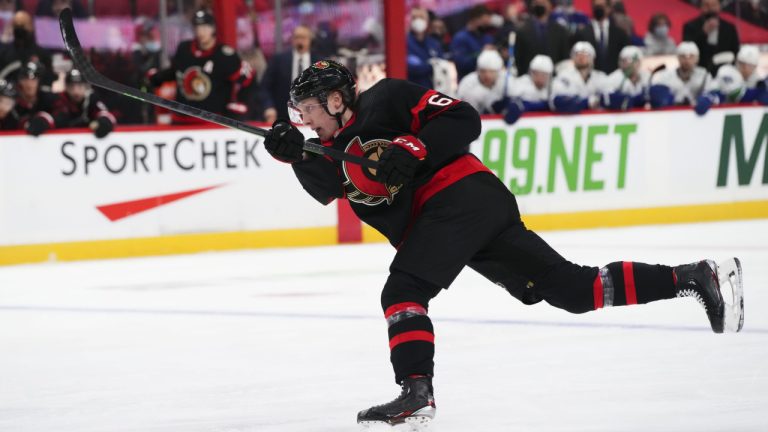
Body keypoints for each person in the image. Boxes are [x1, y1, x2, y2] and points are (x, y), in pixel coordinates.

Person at [261, 59, 744, 429]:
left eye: (307, 111)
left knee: (402, 292)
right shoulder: (322, 149)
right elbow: (324, 186)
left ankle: (416, 392)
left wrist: (415, 147)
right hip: (457, 217)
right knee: (573, 290)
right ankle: (696, 277)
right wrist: (291, 153)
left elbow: (464, 118)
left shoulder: (385, 98)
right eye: (298, 115)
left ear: (337, 99)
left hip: (460, 196)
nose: (305, 121)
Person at [149, 10, 253, 124]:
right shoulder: (184, 49)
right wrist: (156, 77)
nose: (200, 32)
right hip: (181, 120)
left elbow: (249, 79)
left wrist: (240, 105)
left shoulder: (225, 55)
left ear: (213, 28)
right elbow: (177, 72)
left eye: (205, 27)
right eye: (197, 27)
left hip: (213, 122)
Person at [260, 25, 318, 124]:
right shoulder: (278, 60)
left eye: (303, 37)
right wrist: (269, 107)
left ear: (310, 40)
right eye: (297, 37)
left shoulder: (319, 61)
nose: (300, 41)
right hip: (282, 116)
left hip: (313, 116)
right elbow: (264, 87)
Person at [649, 42, 716, 109]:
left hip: (697, 115)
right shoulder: (664, 76)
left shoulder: (704, 75)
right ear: (677, 58)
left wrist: (707, 99)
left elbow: (712, 95)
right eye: (683, 56)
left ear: (697, 58)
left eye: (691, 56)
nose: (687, 60)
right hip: (673, 114)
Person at [52, 69, 116, 138]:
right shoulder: (61, 99)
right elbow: (55, 118)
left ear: (86, 86)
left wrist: (104, 122)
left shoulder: (92, 98)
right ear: (66, 88)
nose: (76, 91)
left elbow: (106, 114)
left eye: (80, 86)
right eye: (71, 87)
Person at [572, 0, 630, 74]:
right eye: (596, 6)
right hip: (590, 79)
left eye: (601, 6)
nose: (599, 9)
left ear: (609, 8)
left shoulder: (620, 34)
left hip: (613, 79)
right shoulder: (581, 34)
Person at [514, 0, 571, 76]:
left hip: (554, 78)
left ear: (550, 6)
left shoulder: (560, 30)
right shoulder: (522, 30)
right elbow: (518, 58)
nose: (540, 5)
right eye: (537, 3)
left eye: (543, 3)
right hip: (528, 78)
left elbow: (564, 58)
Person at [683, 0, 740, 75]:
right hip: (697, 72)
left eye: (714, 5)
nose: (710, 8)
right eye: (706, 5)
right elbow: (687, 50)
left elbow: (735, 52)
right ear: (701, 7)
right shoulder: (690, 26)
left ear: (719, 6)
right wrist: (703, 33)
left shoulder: (729, 28)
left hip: (724, 72)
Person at [0, 11, 54, 89]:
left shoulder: (42, 54)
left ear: (31, 28)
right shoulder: (4, 53)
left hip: (36, 94)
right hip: (10, 93)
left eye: (23, 27)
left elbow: (48, 80)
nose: (20, 31)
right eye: (17, 27)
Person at [550, 41, 608, 113]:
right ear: (572, 58)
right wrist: (587, 102)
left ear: (593, 58)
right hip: (570, 122)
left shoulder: (601, 77)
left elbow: (609, 100)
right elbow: (559, 103)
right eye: (578, 54)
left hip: (596, 121)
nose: (581, 57)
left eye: (586, 55)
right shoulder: (563, 76)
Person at [502, 54, 554, 125]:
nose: (540, 78)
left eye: (544, 75)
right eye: (537, 73)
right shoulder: (520, 85)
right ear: (531, 72)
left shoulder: (552, 88)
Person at [450, 4, 495, 80]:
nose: (486, 27)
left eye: (487, 24)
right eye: (484, 23)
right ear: (474, 20)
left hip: (488, 83)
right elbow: (461, 64)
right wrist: (482, 54)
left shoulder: (487, 37)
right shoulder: (460, 38)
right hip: (468, 83)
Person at [13, 61, 56, 136]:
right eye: (25, 79)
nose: (29, 84)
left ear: (39, 81)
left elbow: (62, 115)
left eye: (34, 79)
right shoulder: (13, 102)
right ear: (19, 81)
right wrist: (25, 123)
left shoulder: (48, 98)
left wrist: (45, 119)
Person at [456, 50, 506, 114]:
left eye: (492, 71)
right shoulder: (467, 84)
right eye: (483, 71)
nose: (487, 75)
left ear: (498, 72)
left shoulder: (505, 80)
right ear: (478, 70)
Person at [407, 7, 445, 89]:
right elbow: (412, 69)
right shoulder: (404, 43)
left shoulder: (434, 44)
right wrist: (431, 66)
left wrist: (426, 66)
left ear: (427, 22)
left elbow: (442, 66)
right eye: (414, 18)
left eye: (421, 17)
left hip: (433, 90)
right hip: (412, 90)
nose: (418, 20)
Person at [603, 45, 649, 110]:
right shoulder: (613, 78)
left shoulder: (646, 76)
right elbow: (608, 100)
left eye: (631, 60)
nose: (627, 64)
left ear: (639, 62)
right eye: (624, 61)